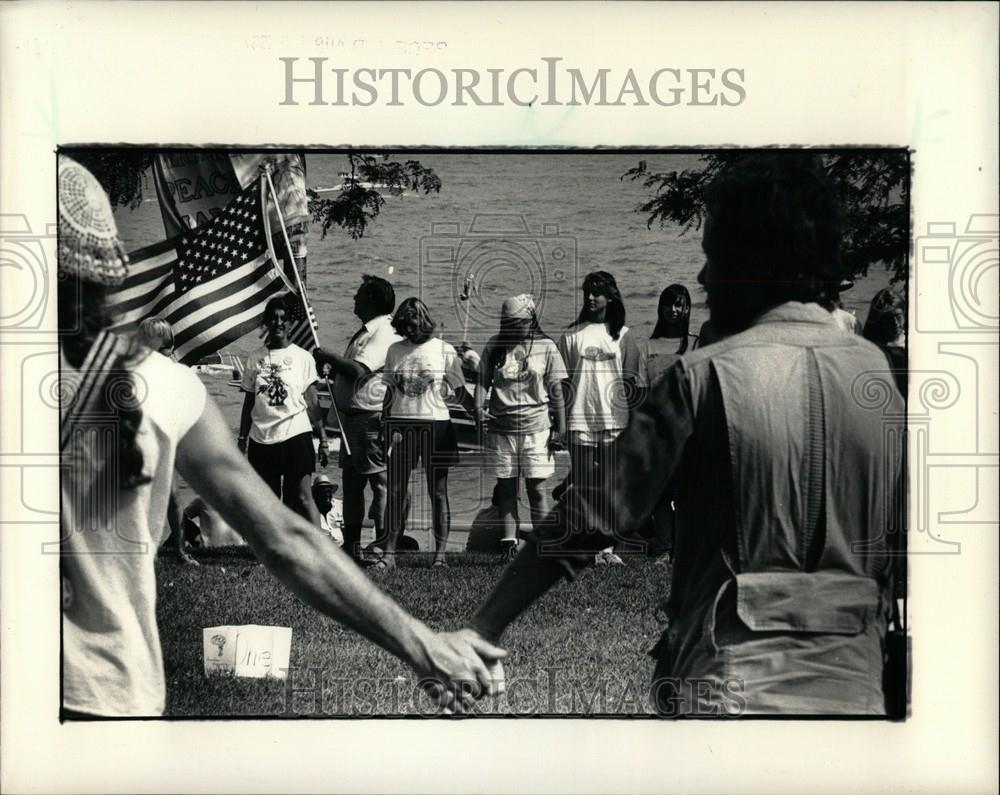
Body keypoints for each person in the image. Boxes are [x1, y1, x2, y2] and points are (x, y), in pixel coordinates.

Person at [58, 156, 505, 718]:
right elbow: (283, 540)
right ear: (107, 274)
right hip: (113, 697)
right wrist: (424, 646)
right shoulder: (163, 386)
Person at [459, 153, 904, 716]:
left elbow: (590, 513)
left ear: (749, 261)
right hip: (859, 693)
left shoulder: (704, 376)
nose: (702, 280)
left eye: (712, 257)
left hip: (729, 686)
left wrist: (485, 624)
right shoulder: (877, 375)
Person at [557, 271, 648, 566]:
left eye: (597, 292)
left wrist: (636, 424)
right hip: (580, 419)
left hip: (615, 420)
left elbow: (631, 384)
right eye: (588, 292)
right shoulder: (571, 336)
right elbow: (563, 385)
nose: (591, 298)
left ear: (611, 297)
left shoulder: (623, 335)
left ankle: (606, 549)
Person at [379, 297, 476, 569]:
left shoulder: (443, 350)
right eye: (404, 325)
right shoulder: (394, 350)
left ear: (424, 321)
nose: (410, 330)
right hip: (400, 424)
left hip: (436, 424)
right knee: (396, 491)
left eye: (414, 324)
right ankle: (389, 555)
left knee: (438, 492)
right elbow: (388, 393)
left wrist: (476, 413)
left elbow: (459, 391)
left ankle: (440, 556)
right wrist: (382, 425)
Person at [313, 275, 401, 562]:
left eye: (359, 294)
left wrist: (329, 356)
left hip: (368, 419)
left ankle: (383, 547)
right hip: (352, 419)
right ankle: (352, 547)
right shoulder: (366, 332)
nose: (354, 299)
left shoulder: (383, 332)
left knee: (379, 481)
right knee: (352, 484)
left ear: (372, 300)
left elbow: (359, 370)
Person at [476, 294, 567, 562]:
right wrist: (478, 409)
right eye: (508, 323)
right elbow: (482, 382)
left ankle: (542, 546)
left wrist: (560, 427)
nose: (513, 329)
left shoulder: (547, 347)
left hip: (537, 429)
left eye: (518, 323)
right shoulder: (494, 346)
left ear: (531, 320)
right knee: (506, 490)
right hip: (501, 430)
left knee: (537, 490)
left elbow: (556, 390)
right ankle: (508, 545)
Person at [238, 295, 330, 524]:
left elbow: (312, 402)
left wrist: (324, 439)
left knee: (301, 497)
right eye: (273, 318)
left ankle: (319, 550)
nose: (278, 323)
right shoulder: (254, 358)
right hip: (262, 437)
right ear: (266, 323)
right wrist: (242, 438)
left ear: (290, 324)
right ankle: (275, 552)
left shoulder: (303, 358)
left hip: (295, 434)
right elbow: (249, 402)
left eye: (283, 319)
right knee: (268, 500)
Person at [642, 284, 698, 560]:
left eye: (679, 305)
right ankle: (663, 546)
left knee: (688, 492)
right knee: (660, 492)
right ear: (661, 307)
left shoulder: (696, 343)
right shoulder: (649, 345)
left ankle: (686, 547)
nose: (674, 310)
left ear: (688, 308)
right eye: (669, 304)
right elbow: (640, 391)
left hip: (688, 429)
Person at [862, 287, 907, 396]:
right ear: (880, 321)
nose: (896, 323)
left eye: (898, 317)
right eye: (889, 319)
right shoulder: (870, 349)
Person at [312, 474, 345, 546]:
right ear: (315, 494)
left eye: (328, 491)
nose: (327, 495)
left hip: (341, 548)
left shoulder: (340, 506)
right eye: (322, 492)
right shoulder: (310, 510)